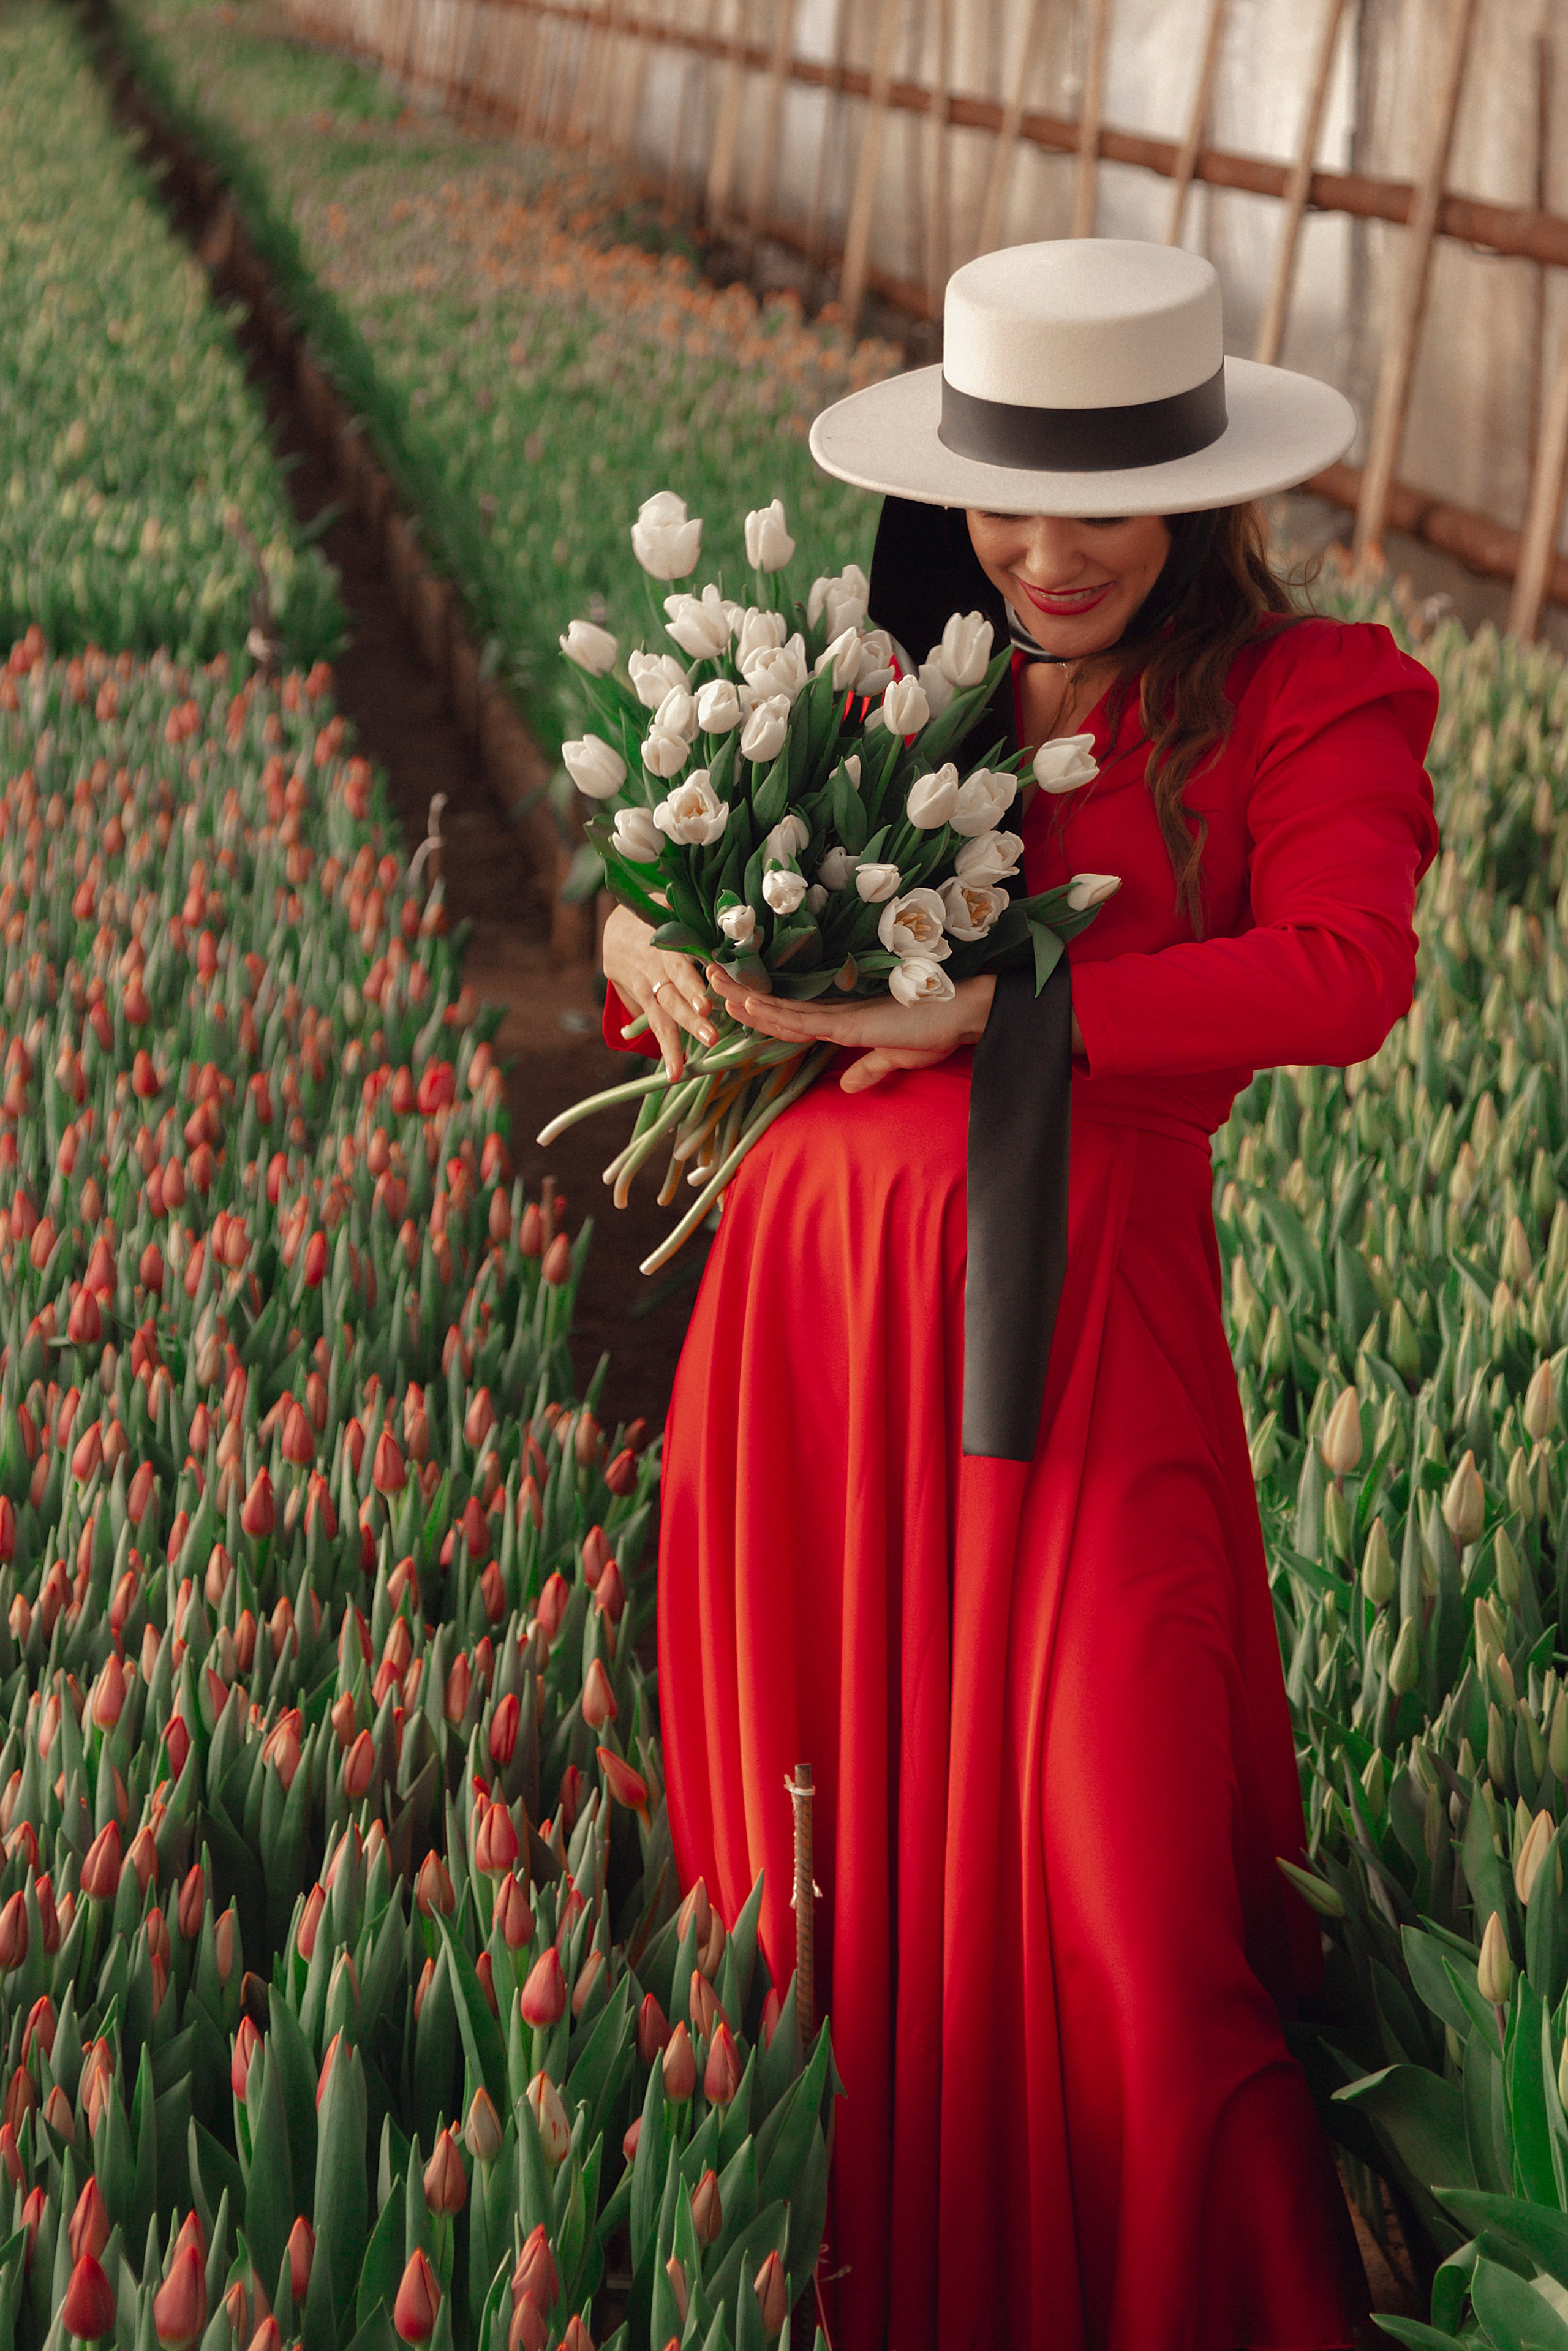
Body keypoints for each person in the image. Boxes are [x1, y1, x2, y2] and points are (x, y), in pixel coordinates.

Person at [599, 239, 1439, 2350]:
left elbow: (1347, 979)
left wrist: (1000, 1007)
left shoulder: (1304, 693)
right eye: (1009, 496)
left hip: (1080, 1361)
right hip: (818, 1360)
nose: (1051, 552)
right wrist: (649, 956)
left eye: (1109, 502)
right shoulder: (893, 690)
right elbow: (727, 981)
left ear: (1206, 489)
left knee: (1134, 1915)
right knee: (844, 1904)